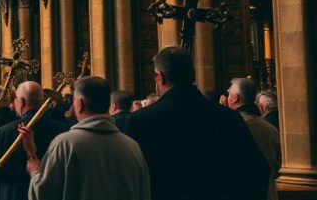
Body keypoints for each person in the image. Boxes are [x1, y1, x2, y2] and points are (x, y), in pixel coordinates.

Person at [126, 47, 270, 200]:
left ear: (160, 77)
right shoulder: (228, 117)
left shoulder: (141, 120)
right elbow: (258, 171)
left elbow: (129, 178)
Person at [21, 77, 150, 200]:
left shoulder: (65, 144)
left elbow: (44, 195)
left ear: (80, 103)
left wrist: (34, 168)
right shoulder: (132, 147)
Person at [0, 81, 69, 200]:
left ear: (20, 101)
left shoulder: (5, 132)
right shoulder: (62, 130)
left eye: (14, 99)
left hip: (14, 193)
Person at [228, 78, 281, 200]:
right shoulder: (270, 128)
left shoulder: (230, 125)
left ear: (235, 97)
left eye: (229, 94)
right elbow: (278, 164)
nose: (228, 98)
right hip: (267, 192)